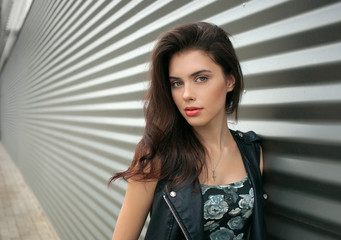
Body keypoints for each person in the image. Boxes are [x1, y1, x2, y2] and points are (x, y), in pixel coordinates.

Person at [109, 22, 268, 240]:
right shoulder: (156, 156)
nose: (187, 94)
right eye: (176, 83)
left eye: (201, 78)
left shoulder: (252, 153)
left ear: (230, 80)